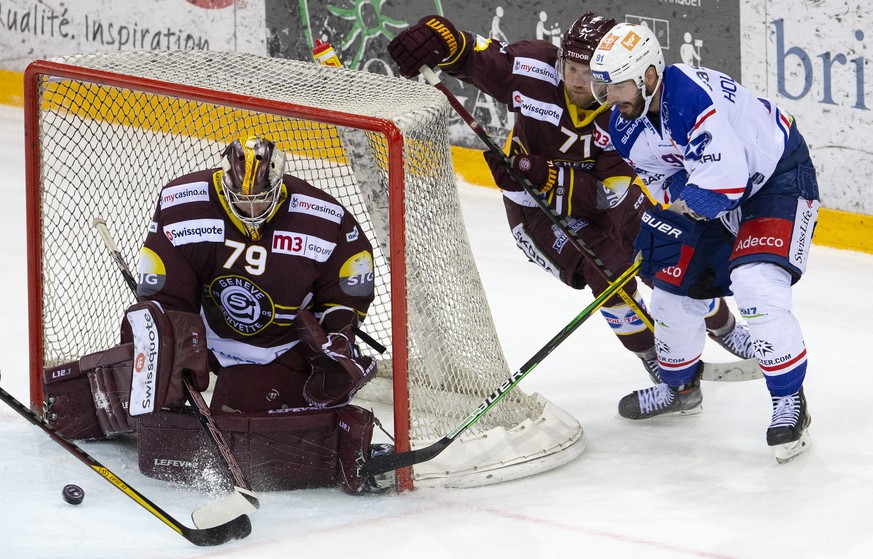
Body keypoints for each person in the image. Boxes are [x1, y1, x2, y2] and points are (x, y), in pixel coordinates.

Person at [387, 13, 754, 387]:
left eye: (589, 72)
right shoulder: (532, 69)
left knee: (664, 255)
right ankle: (654, 360)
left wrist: (548, 175)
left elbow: (608, 194)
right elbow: (474, 57)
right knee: (608, 274)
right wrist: (443, 39)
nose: (576, 81)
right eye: (570, 67)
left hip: (607, 195)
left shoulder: (625, 108)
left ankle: (723, 327)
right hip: (537, 211)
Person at [589, 23, 818, 462]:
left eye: (617, 86)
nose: (610, 99)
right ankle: (680, 388)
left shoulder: (690, 97)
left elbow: (726, 182)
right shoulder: (625, 125)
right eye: (605, 88)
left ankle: (790, 401)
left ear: (649, 77)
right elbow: (668, 179)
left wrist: (671, 217)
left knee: (756, 288)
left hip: (777, 181)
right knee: (672, 289)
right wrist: (669, 218)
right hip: (710, 191)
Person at [136, 136, 384, 493]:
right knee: (145, 364)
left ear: (280, 187)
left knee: (242, 427)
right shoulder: (183, 203)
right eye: (241, 200)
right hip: (206, 335)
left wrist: (336, 337)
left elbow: (347, 288)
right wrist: (174, 353)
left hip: (275, 347)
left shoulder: (324, 217)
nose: (251, 210)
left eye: (262, 199)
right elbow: (165, 293)